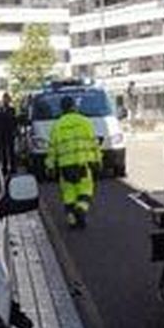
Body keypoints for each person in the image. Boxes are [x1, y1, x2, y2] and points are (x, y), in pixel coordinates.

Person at [46, 95, 102, 229]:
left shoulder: (57, 126)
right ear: (74, 106)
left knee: (69, 193)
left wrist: (50, 166)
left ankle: (72, 219)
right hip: (82, 164)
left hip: (65, 167)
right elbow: (93, 144)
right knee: (86, 190)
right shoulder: (85, 122)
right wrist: (98, 160)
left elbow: (52, 149)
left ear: (62, 108)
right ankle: (81, 209)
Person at [0, 92, 18, 174]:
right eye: (5, 98)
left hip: (9, 132)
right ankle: (5, 167)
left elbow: (14, 121)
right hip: (2, 133)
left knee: (11, 150)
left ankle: (13, 167)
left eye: (7, 99)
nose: (6, 100)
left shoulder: (11, 109)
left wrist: (15, 131)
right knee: (3, 151)